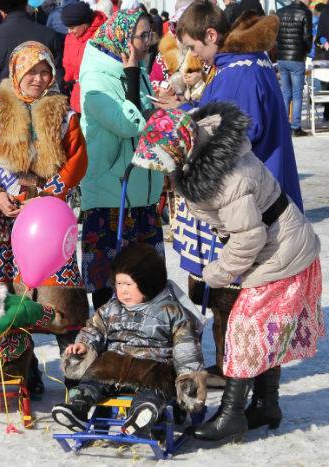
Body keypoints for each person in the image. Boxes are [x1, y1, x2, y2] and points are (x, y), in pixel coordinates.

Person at [132, 103, 324, 442]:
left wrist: (217, 272)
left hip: (282, 254)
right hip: (275, 250)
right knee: (265, 330)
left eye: (161, 162)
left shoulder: (224, 179)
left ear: (179, 148)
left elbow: (250, 236)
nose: (160, 171)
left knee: (243, 329)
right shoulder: (203, 153)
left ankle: (233, 413)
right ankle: (267, 404)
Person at [156, 1, 304, 385]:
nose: (191, 56)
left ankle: (238, 374)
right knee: (249, 295)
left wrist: (188, 123)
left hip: (250, 196)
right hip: (256, 194)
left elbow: (235, 133)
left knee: (242, 295)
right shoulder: (245, 64)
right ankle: (246, 378)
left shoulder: (239, 71)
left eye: (192, 46)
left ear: (212, 35)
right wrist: (191, 108)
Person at [0, 42, 89, 392]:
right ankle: (24, 371)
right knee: (6, 299)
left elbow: (76, 160)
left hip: (46, 220)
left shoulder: (64, 116)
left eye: (45, 71)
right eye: (31, 71)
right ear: (16, 72)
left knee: (59, 296)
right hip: (0, 221)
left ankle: (75, 377)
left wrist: (49, 196)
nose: (39, 78)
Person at [51, 244, 206, 433]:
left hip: (153, 366)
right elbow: (95, 328)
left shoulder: (171, 311)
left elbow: (186, 348)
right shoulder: (111, 308)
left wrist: (188, 378)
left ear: (148, 282)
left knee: (155, 388)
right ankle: (79, 409)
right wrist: (84, 344)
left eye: (129, 285)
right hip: (113, 365)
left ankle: (143, 413)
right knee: (91, 382)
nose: (122, 291)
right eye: (118, 284)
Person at [78, 9, 165, 311]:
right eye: (142, 36)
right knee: (111, 282)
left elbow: (144, 118)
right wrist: (131, 76)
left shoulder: (134, 69)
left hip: (139, 189)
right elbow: (129, 124)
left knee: (145, 281)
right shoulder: (96, 79)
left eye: (149, 35)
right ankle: (109, 348)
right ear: (122, 39)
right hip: (111, 196)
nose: (148, 43)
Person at [0, 0, 63, 113]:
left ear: (1, 10)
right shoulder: (49, 35)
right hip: (41, 112)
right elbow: (58, 80)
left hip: (3, 112)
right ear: (26, 4)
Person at [61, 1, 107, 114]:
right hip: (76, 98)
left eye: (72, 27)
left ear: (85, 24)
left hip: (99, 98)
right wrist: (63, 84)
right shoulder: (70, 38)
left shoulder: (102, 36)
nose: (69, 31)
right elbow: (68, 65)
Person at [276, 0, 313, 137]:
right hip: (297, 58)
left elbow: (277, 36)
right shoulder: (305, 12)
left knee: (286, 93)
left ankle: (284, 126)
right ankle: (296, 127)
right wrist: (307, 50)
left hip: (282, 57)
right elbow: (307, 36)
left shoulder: (280, 12)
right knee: (297, 95)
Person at [314, 4, 329, 121]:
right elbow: (320, 36)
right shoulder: (325, 13)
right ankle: (327, 113)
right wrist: (325, 43)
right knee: (326, 86)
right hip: (325, 57)